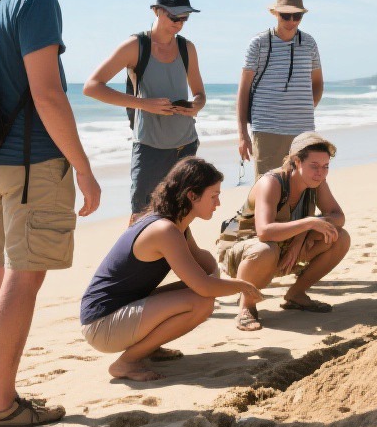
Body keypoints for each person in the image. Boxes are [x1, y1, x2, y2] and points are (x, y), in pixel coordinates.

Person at [0, 0, 107, 427]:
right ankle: (1, 406)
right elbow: (47, 93)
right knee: (23, 278)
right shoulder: (38, 0)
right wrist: (84, 169)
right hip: (33, 162)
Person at [80, 157, 263, 381]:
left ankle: (148, 348)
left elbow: (204, 264)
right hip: (101, 325)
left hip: (119, 312)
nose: (218, 204)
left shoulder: (175, 225)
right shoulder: (164, 230)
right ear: (191, 196)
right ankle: (126, 363)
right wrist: (242, 286)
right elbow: (205, 287)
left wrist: (213, 272)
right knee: (201, 302)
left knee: (198, 292)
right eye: (213, 196)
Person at [83, 0, 207, 219]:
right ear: (157, 11)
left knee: (179, 219)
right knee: (140, 218)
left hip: (187, 145)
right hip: (149, 147)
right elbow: (91, 87)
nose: (179, 23)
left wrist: (195, 106)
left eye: (185, 17)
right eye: (174, 16)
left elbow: (200, 94)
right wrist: (144, 104)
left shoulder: (187, 48)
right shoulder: (135, 46)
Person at [216, 132, 350, 331]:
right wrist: (308, 224)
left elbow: (338, 217)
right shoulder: (272, 182)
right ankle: (246, 305)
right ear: (296, 161)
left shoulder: (316, 182)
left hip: (281, 245)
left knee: (339, 237)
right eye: (314, 165)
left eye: (325, 166)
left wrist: (304, 232)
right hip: (243, 249)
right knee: (265, 249)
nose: (320, 172)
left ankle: (296, 295)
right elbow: (264, 231)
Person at [235, 0, 324, 178]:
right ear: (275, 13)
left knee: (303, 189)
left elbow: (317, 83)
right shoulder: (258, 44)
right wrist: (242, 135)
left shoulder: (309, 43)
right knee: (266, 189)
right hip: (267, 130)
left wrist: (303, 109)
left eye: (297, 16)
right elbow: (243, 91)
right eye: (285, 15)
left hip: (303, 132)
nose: (291, 21)